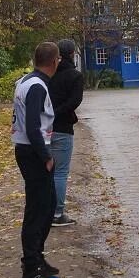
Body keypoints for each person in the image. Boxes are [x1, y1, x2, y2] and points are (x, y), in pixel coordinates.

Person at [13, 41, 61, 278]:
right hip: (33, 152)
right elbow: (32, 125)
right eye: (59, 59)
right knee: (38, 209)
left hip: (29, 149)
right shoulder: (36, 86)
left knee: (48, 204)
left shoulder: (26, 81)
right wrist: (46, 156)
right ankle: (31, 265)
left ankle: (37, 257)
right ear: (54, 61)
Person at [48, 39, 84, 228]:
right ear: (71, 54)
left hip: (44, 129)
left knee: (47, 172)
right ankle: (57, 212)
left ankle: (46, 210)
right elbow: (75, 101)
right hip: (63, 129)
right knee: (60, 173)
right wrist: (59, 112)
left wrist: (48, 114)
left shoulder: (49, 74)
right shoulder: (75, 76)